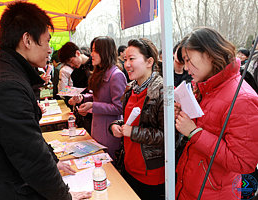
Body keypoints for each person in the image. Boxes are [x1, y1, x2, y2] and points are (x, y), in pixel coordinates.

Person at [0, 2, 91, 200]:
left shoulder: (4, 73)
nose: (50, 50)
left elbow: (27, 139)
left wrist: (53, 161)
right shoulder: (6, 85)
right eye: (47, 41)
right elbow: (32, 159)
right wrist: (65, 197)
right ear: (27, 40)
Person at [175, 27, 258, 200]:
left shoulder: (243, 98)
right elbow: (209, 125)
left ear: (210, 53)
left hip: (214, 192)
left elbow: (243, 162)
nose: (186, 68)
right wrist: (184, 116)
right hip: (190, 184)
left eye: (189, 60)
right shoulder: (206, 87)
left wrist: (194, 132)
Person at [110, 38, 166, 200]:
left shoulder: (163, 91)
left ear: (149, 62)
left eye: (132, 59)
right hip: (129, 166)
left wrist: (132, 132)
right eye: (125, 59)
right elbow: (129, 121)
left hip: (151, 174)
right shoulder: (131, 88)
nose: (126, 64)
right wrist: (115, 125)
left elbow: (167, 136)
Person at [69, 36, 126, 158]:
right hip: (97, 129)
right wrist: (83, 98)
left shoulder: (116, 76)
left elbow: (119, 107)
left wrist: (93, 106)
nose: (92, 54)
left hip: (109, 133)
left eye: (95, 50)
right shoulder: (99, 72)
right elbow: (97, 97)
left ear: (105, 52)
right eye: (92, 50)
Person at [58, 42, 94, 132]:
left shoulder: (95, 66)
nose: (72, 65)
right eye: (68, 64)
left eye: (71, 61)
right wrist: (74, 100)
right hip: (84, 115)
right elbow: (78, 92)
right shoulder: (75, 73)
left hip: (97, 112)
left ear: (78, 53)